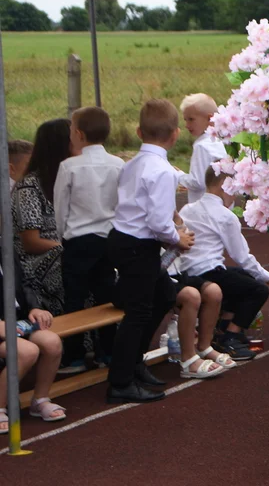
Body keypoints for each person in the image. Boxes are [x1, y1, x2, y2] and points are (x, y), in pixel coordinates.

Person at [107, 99, 194, 403]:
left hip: (122, 239)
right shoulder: (163, 171)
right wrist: (177, 239)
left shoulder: (131, 164)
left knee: (165, 295)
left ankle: (133, 362)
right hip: (137, 245)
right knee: (138, 312)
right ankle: (120, 381)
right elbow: (158, 222)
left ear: (138, 131)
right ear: (175, 134)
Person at [179, 167, 269, 356]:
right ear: (222, 186)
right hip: (208, 271)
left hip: (189, 270)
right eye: (234, 189)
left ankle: (223, 325)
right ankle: (230, 337)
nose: (235, 195)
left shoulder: (188, 208)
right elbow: (241, 256)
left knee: (240, 277)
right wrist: (267, 276)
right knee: (258, 290)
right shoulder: (225, 216)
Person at [54, 106, 124, 372]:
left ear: (79, 134)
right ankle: (107, 351)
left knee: (74, 298)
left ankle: (74, 356)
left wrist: (63, 236)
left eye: (71, 129)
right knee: (105, 297)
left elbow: (61, 207)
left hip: (79, 240)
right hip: (108, 239)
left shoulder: (69, 166)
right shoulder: (118, 164)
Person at [13, 118, 71, 318]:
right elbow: (30, 242)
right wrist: (69, 248)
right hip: (35, 263)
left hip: (65, 253)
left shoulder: (68, 180)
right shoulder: (28, 188)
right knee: (79, 263)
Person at [0, 257, 66, 433]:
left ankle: (40, 400)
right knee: (26, 352)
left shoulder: (3, 244)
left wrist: (34, 308)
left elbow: (24, 282)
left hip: (16, 321)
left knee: (52, 342)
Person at [178, 93, 227, 204]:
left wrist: (179, 176)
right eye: (185, 120)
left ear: (209, 118)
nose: (187, 125)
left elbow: (197, 182)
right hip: (223, 204)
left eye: (191, 119)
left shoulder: (202, 146)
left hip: (203, 209)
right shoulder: (221, 141)